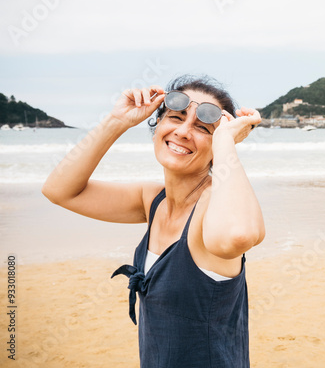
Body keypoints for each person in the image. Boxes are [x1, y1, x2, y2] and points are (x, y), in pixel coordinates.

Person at [42, 75, 266, 367]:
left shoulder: (213, 207)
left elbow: (238, 236)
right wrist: (117, 120)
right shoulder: (154, 200)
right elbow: (60, 191)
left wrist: (226, 143)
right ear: (157, 125)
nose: (184, 132)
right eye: (176, 117)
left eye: (203, 128)